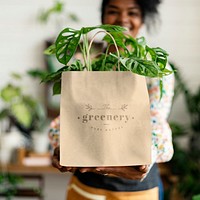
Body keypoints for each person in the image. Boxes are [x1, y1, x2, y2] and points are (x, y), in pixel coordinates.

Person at [48, 0, 174, 199]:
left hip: (136, 189)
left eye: (132, 13)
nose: (123, 19)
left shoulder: (154, 67)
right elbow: (71, 118)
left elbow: (156, 118)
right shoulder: (87, 64)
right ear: (103, 18)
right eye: (113, 12)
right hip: (87, 184)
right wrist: (62, 145)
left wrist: (144, 157)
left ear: (142, 20)